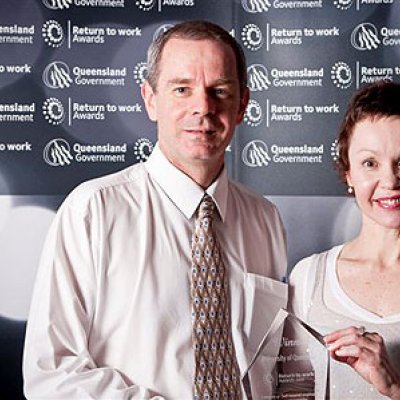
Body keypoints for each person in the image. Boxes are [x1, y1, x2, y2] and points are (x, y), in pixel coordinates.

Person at [23, 20, 287, 399]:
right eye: (182, 89)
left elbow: (270, 364)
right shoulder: (93, 211)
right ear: (150, 99)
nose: (203, 107)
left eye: (220, 91)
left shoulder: (265, 219)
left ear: (242, 103)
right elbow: (52, 373)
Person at [287, 80, 400, 399]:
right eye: (370, 163)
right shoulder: (309, 279)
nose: (390, 180)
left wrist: (393, 387)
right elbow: (292, 393)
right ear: (349, 172)